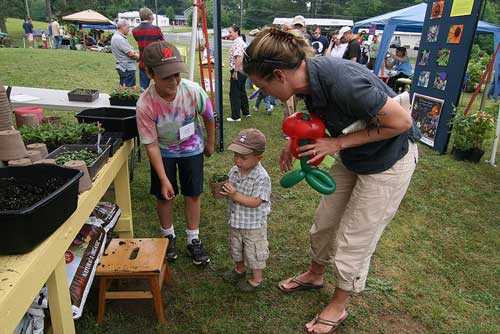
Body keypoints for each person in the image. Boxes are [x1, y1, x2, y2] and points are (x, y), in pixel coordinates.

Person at [243, 28, 419, 334]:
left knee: (356, 234)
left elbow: (402, 122)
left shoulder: (343, 81)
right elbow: (327, 121)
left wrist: (335, 145)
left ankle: (337, 306)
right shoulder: (305, 84)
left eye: (263, 87)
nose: (264, 93)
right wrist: (295, 140)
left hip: (389, 157)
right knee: (326, 220)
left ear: (279, 75)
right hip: (357, 153)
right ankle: (315, 273)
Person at [136, 41, 215, 265]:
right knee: (165, 195)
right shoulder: (145, 104)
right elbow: (150, 144)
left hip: (192, 148)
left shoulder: (192, 91)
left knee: (193, 193)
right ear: (149, 72)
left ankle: (193, 239)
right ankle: (168, 235)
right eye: (166, 77)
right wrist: (163, 178)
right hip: (163, 152)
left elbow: (209, 116)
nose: (174, 81)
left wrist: (209, 144)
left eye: (176, 75)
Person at [221, 128, 271, 292]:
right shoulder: (234, 171)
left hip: (253, 225)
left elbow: (256, 202)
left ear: (259, 158)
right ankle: (239, 269)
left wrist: (234, 195)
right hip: (236, 220)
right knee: (236, 247)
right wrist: (224, 191)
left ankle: (256, 279)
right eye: (235, 155)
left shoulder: (261, 177)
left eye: (243, 157)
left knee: (253, 251)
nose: (237, 160)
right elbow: (232, 191)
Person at [132, 7, 165, 89]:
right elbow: (163, 43)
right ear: (150, 16)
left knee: (143, 89)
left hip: (143, 62)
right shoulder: (156, 29)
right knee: (160, 87)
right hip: (155, 63)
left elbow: (138, 40)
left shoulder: (135, 30)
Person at [227, 25, 249, 122]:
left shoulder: (238, 43)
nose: (229, 34)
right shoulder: (241, 42)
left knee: (234, 93)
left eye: (230, 32)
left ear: (236, 32)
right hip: (243, 71)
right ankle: (246, 112)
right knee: (242, 91)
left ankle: (235, 116)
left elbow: (238, 57)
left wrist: (235, 71)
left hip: (238, 71)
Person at [111, 19, 139, 87]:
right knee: (128, 90)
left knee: (124, 89)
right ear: (122, 27)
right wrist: (140, 57)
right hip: (127, 69)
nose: (129, 29)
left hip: (123, 67)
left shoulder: (116, 36)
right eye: (128, 27)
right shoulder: (119, 39)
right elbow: (130, 54)